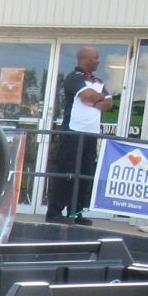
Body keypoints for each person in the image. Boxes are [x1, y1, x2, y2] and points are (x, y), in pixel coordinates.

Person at [49, 45, 115, 222]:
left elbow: (109, 103)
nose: (98, 60)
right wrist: (96, 98)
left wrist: (94, 100)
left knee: (85, 174)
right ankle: (54, 212)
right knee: (67, 173)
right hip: (72, 132)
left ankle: (76, 213)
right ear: (84, 58)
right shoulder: (73, 78)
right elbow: (88, 94)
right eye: (96, 57)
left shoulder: (98, 81)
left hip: (91, 135)